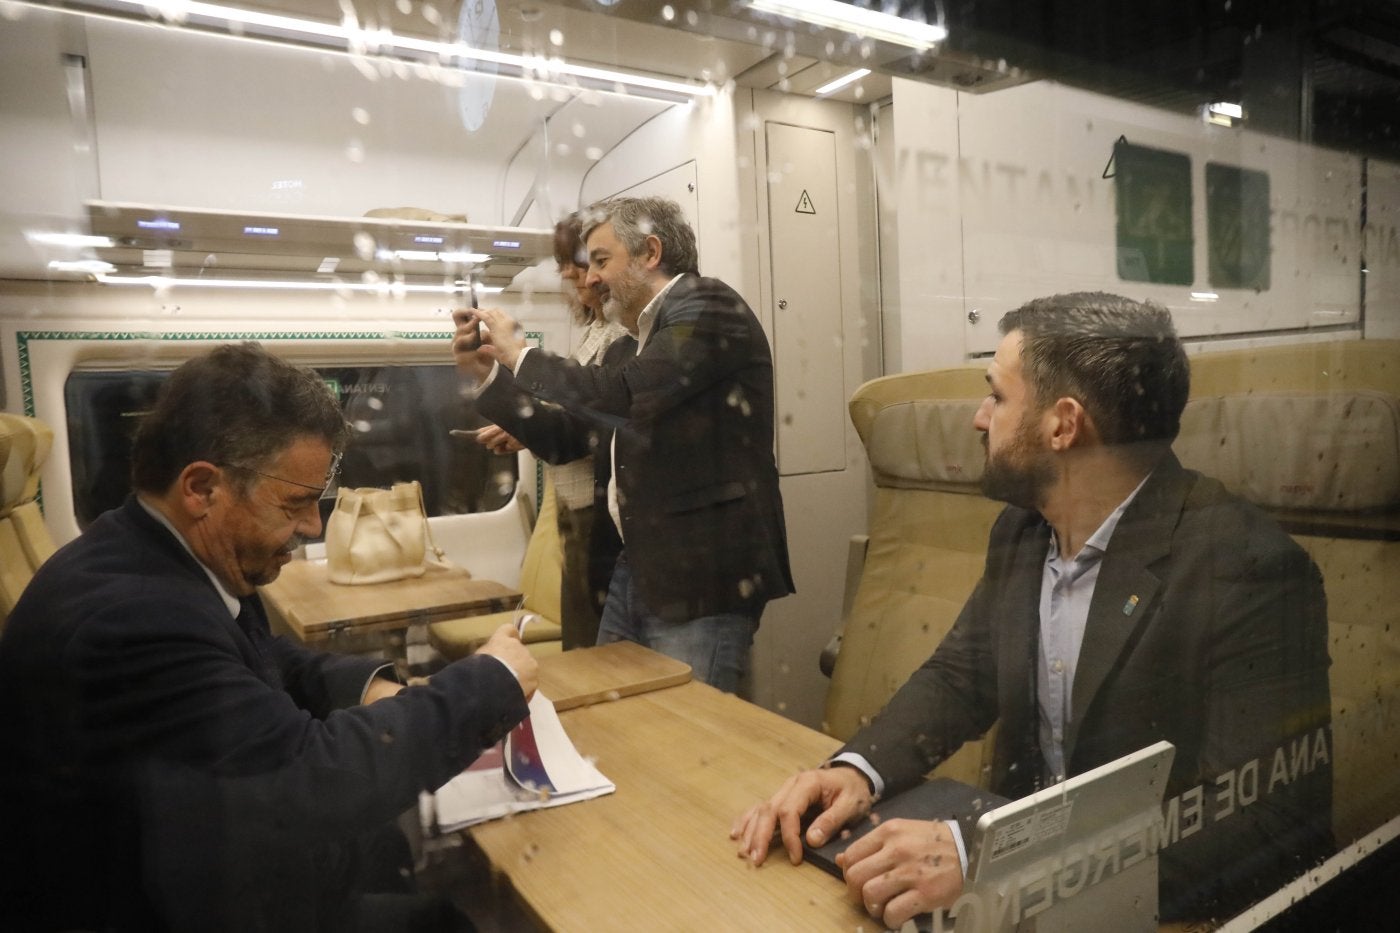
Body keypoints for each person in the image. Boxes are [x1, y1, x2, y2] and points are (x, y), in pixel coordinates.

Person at [732, 293, 1333, 926]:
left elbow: (1270, 823)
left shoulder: (1249, 568)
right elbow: (960, 677)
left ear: (1063, 425)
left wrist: (1000, 863)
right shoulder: (1024, 529)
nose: (979, 418)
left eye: (996, 396)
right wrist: (859, 771)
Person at [0, 343, 538, 932]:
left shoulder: (148, 554)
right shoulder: (130, 621)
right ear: (202, 488)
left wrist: (367, 685)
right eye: (296, 504)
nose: (312, 526)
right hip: (154, 908)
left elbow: (254, 658)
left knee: (389, 849)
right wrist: (491, 683)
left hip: (190, 866)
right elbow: (310, 780)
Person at [454, 196, 794, 692]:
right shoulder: (628, 345)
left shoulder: (709, 308)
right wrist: (488, 377)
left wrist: (522, 355)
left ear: (650, 253)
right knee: (615, 709)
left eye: (600, 260)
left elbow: (627, 395)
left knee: (686, 725)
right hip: (635, 568)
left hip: (702, 577)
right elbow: (568, 438)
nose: (590, 278)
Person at [474, 213, 631, 649]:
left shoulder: (622, 336)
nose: (567, 274)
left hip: (595, 514)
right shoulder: (594, 331)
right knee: (583, 640)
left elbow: (581, 432)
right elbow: (580, 420)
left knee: (591, 648)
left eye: (577, 262)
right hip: (573, 507)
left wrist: (508, 367)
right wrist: (523, 431)